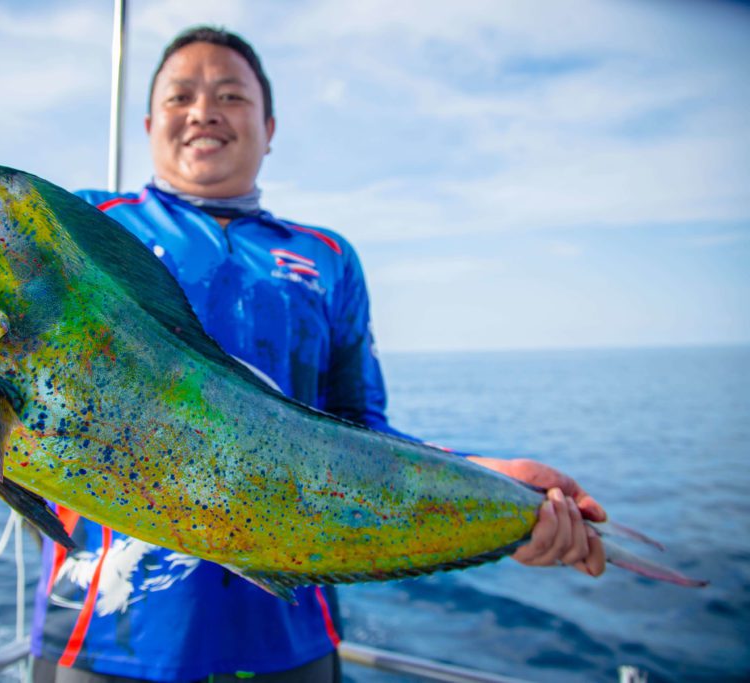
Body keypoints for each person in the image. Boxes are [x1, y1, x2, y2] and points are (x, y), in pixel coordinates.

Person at [30, 26, 607, 683]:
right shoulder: (87, 227)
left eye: (230, 95)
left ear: (270, 128)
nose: (202, 110)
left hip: (293, 634)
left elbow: (365, 437)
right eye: (179, 96)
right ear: (147, 123)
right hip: (104, 636)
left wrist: (495, 484)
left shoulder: (327, 257)